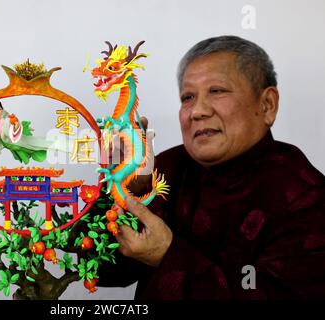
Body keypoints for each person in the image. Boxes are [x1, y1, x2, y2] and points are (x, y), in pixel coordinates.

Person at [97, 35, 325, 299]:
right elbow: (108, 272)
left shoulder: (305, 198)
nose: (197, 111)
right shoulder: (167, 170)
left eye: (216, 91)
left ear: (267, 104)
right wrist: (120, 191)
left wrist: (169, 255)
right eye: (188, 97)